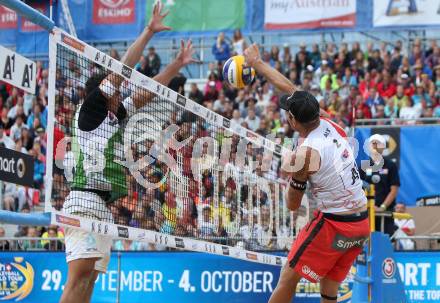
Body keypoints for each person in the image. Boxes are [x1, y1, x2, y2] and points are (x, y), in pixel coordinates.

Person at [59, 3, 198, 303]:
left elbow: (147, 92)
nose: (122, 95)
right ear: (103, 93)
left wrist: (176, 65)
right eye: (116, 92)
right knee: (78, 278)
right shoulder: (92, 110)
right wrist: (148, 30)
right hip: (83, 199)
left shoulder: (115, 115)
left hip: (101, 204)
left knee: (89, 282)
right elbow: (121, 73)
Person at [244, 44, 369, 303]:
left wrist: (289, 166)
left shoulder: (305, 155)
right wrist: (258, 64)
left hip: (335, 224)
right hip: (360, 224)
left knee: (289, 275)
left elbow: (292, 205)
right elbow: (292, 90)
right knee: (329, 290)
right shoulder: (328, 122)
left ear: (292, 121)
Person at [359, 134, 399, 237]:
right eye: (372, 143)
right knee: (366, 243)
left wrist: (382, 207)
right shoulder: (364, 165)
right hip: (366, 212)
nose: (375, 146)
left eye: (378, 143)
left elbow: (394, 189)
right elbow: (357, 189)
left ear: (383, 146)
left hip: (384, 213)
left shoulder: (390, 165)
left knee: (386, 241)